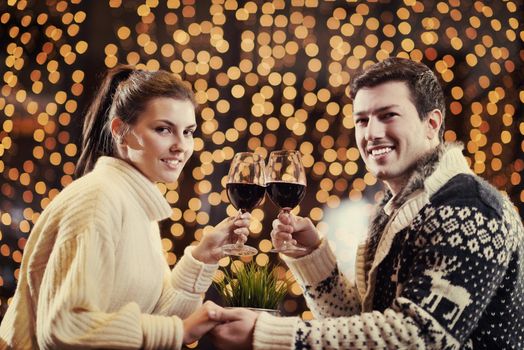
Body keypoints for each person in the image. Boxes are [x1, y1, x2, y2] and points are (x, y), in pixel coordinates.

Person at [209, 57, 524, 349]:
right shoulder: (395, 210)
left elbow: (417, 336)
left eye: (388, 115)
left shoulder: (472, 211)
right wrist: (312, 258)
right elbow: (359, 325)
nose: (372, 133)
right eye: (361, 120)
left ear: (431, 124)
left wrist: (269, 333)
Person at [0, 65, 251, 349]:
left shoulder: (135, 204)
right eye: (164, 129)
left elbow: (152, 318)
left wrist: (203, 257)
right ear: (121, 131)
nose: (181, 146)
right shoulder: (98, 199)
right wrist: (177, 332)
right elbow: (65, 327)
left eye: (188, 132)